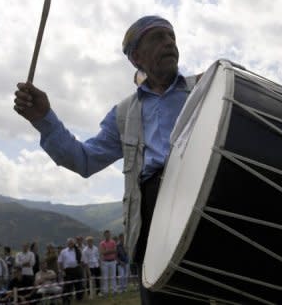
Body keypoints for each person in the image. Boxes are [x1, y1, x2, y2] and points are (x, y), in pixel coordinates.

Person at [14, 15, 201, 304]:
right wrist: (43, 119)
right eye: (158, 38)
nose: (169, 43)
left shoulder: (204, 89)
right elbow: (83, 160)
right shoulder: (124, 113)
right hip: (151, 218)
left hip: (201, 203)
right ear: (136, 57)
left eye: (172, 37)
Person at [57, 238, 84, 304]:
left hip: (77, 269)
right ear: (67, 244)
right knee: (67, 286)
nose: (70, 244)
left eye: (71, 243)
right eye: (69, 243)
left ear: (73, 244)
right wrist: (62, 271)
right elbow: (60, 262)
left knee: (79, 285)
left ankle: (79, 298)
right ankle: (66, 300)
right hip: (68, 271)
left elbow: (81, 260)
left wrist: (81, 268)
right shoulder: (63, 251)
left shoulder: (77, 250)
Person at [99, 230, 117, 296]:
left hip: (112, 261)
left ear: (110, 235)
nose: (107, 235)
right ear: (104, 235)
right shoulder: (102, 243)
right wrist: (110, 250)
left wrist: (107, 250)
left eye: (108, 234)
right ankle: (106, 292)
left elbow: (115, 250)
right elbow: (102, 252)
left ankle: (114, 291)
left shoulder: (113, 242)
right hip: (105, 262)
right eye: (106, 234)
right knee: (105, 277)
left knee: (113, 277)